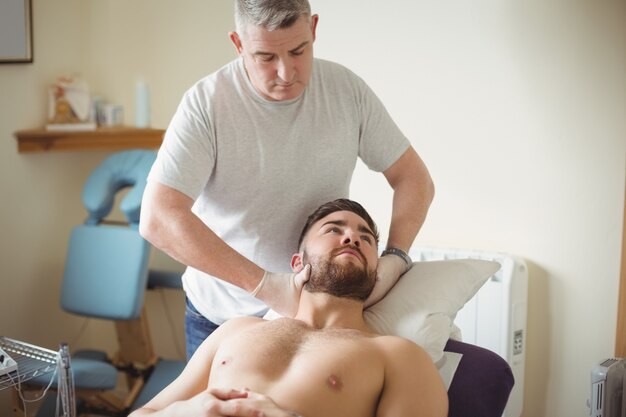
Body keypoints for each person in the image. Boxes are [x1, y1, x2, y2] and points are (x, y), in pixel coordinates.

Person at [139, 0, 435, 359]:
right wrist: (264, 285)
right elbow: (158, 218)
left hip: (314, 319)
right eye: (265, 57)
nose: (286, 72)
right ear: (238, 44)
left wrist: (396, 257)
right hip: (220, 316)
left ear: (313, 29)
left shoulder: (346, 91)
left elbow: (413, 178)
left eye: (298, 51)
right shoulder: (207, 104)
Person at [130, 199, 448, 417]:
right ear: (298, 263)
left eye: (365, 238)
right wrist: (189, 410)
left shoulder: (398, 357)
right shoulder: (236, 330)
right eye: (334, 230)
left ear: (376, 271)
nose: (352, 237)